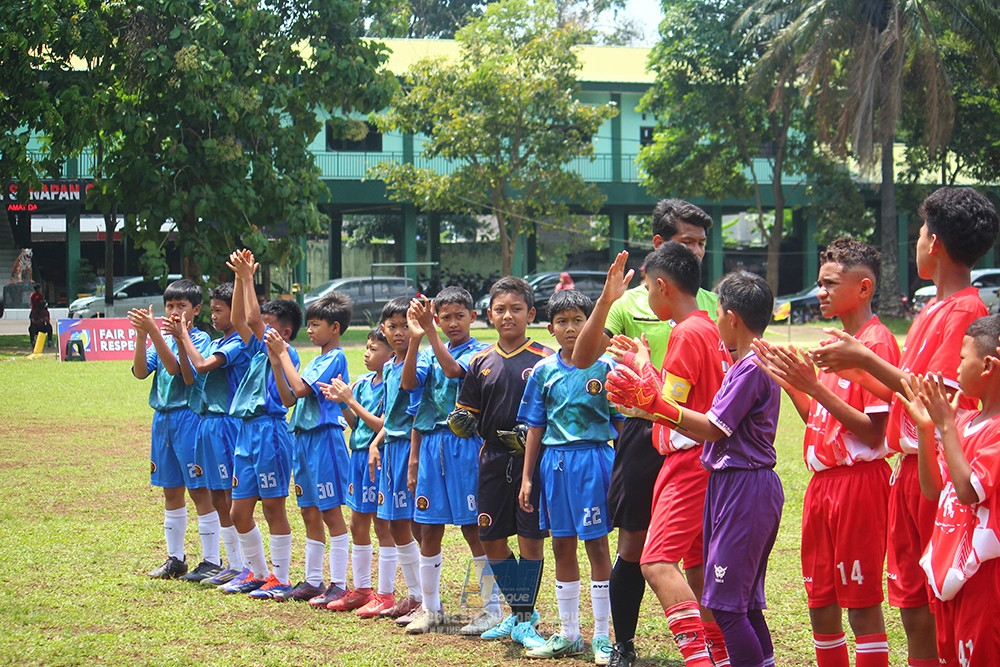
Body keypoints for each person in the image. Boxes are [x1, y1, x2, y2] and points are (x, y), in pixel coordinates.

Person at [810, 187, 1000, 666]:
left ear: (933, 242)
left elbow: (938, 402)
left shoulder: (965, 310)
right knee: (915, 603)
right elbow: (906, 399)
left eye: (919, 232)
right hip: (909, 471)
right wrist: (855, 372)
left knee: (934, 605)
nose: (916, 242)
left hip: (935, 472)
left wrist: (865, 359)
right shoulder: (934, 308)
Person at [607, 269, 783, 667]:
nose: (715, 315)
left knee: (669, 570)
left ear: (731, 316)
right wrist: (647, 373)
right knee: (733, 600)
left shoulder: (712, 344)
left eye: (718, 310)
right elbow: (686, 406)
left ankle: (703, 661)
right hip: (727, 477)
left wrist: (651, 402)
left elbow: (707, 425)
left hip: (734, 479)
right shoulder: (738, 354)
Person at [572, 199, 720, 667]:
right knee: (634, 546)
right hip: (644, 435)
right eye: (686, 242)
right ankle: (624, 644)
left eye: (701, 243)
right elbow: (582, 356)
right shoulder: (634, 299)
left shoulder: (710, 304)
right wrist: (604, 300)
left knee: (699, 549)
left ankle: (712, 643)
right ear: (659, 245)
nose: (695, 251)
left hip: (696, 439)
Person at [753, 238, 898, 667]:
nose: (820, 292)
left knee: (861, 604)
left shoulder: (876, 343)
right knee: (821, 604)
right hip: (823, 486)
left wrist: (813, 383)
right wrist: (789, 378)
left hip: (859, 486)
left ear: (864, 288)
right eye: (820, 283)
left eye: (830, 284)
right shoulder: (839, 339)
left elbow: (875, 433)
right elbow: (820, 416)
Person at [604, 242, 731, 667]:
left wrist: (639, 384)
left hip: (688, 463)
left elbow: (670, 411)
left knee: (656, 562)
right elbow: (681, 397)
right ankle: (718, 654)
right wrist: (643, 362)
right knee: (696, 565)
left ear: (662, 286)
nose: (646, 296)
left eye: (646, 287)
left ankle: (699, 660)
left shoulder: (684, 333)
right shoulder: (709, 328)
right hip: (709, 460)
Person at [515, 289, 620, 660]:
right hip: (555, 465)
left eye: (579, 320)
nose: (571, 328)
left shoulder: (605, 368)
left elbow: (621, 425)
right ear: (550, 328)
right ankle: (569, 632)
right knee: (561, 544)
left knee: (596, 544)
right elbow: (535, 427)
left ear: (592, 323)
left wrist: (624, 474)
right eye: (563, 322)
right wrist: (528, 477)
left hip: (594, 461)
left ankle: (604, 636)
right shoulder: (543, 371)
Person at [452, 276, 553, 649]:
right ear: (489, 316)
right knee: (490, 537)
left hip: (531, 459)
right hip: (492, 458)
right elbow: (467, 412)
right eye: (500, 310)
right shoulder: (479, 361)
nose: (507, 316)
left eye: (516, 309)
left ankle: (524, 618)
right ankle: (521, 609)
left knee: (529, 537)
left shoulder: (545, 359)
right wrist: (460, 422)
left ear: (531, 313)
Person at [898, 316, 1000, 666]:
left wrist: (946, 427)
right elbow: (933, 489)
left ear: (987, 365)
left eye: (961, 358)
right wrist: (928, 431)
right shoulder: (963, 424)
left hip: (984, 581)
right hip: (949, 573)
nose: (955, 367)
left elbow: (970, 490)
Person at [399, 287, 490, 634]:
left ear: (473, 317)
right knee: (427, 527)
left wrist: (431, 334)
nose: (453, 323)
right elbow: (409, 383)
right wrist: (414, 339)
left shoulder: (480, 352)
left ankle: (492, 609)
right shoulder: (426, 350)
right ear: (436, 318)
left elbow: (453, 371)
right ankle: (431, 609)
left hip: (464, 444)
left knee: (473, 526)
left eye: (459, 316)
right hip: (432, 443)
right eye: (445, 317)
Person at [259, 293, 354, 602]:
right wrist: (276, 361)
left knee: (330, 513)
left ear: (335, 328)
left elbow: (299, 388)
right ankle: (313, 580)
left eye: (316, 325)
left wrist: (282, 352)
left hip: (324, 439)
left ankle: (338, 582)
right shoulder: (316, 359)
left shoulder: (335, 357)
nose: (310, 331)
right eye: (309, 325)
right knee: (309, 512)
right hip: (303, 439)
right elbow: (289, 399)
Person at [220, 249, 302, 596]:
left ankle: (280, 579)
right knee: (239, 511)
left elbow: (251, 318)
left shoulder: (285, 352)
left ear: (283, 331)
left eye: (267, 326)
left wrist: (249, 278)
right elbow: (242, 319)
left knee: (272, 507)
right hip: (245, 431)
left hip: (269, 430)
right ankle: (257, 572)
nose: (258, 329)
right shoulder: (257, 350)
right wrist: (240, 278)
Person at [168, 282, 254, 585]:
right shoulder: (220, 339)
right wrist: (181, 341)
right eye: (213, 309)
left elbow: (202, 365)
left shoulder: (238, 342)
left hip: (227, 424)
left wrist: (182, 337)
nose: (214, 316)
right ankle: (229, 565)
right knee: (217, 495)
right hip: (207, 422)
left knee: (231, 495)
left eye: (219, 310)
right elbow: (190, 376)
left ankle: (246, 566)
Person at [127, 279, 214, 579]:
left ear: (196, 310)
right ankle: (175, 558)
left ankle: (211, 560)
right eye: (170, 306)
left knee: (199, 490)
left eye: (182, 307)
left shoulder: (199, 340)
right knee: (171, 490)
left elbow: (177, 368)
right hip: (162, 420)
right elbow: (140, 372)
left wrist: (154, 332)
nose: (174, 312)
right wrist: (143, 337)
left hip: (189, 418)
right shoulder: (156, 339)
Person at [319, 328, 397, 615]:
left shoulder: (392, 382)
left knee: (382, 525)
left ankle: (385, 594)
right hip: (359, 458)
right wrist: (343, 403)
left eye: (373, 349)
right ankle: (362, 589)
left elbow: (383, 426)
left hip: (379, 457)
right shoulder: (363, 383)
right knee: (357, 524)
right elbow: (358, 425)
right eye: (366, 347)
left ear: (391, 354)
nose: (366, 353)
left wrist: (350, 401)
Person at [368, 296, 424, 623]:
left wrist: (414, 456)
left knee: (417, 524)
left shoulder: (416, 362)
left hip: (409, 449)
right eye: (393, 326)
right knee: (394, 523)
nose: (399, 332)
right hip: (391, 448)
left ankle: (424, 597)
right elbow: (391, 416)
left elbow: (419, 413)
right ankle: (415, 594)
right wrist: (377, 442)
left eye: (405, 325)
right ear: (384, 330)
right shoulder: (389, 365)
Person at [28, 283, 52, 347]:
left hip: (42, 323)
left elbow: (47, 320)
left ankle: (50, 341)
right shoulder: (33, 295)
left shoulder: (41, 296)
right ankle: (32, 341)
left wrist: (44, 319)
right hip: (35, 310)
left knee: (49, 326)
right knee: (32, 327)